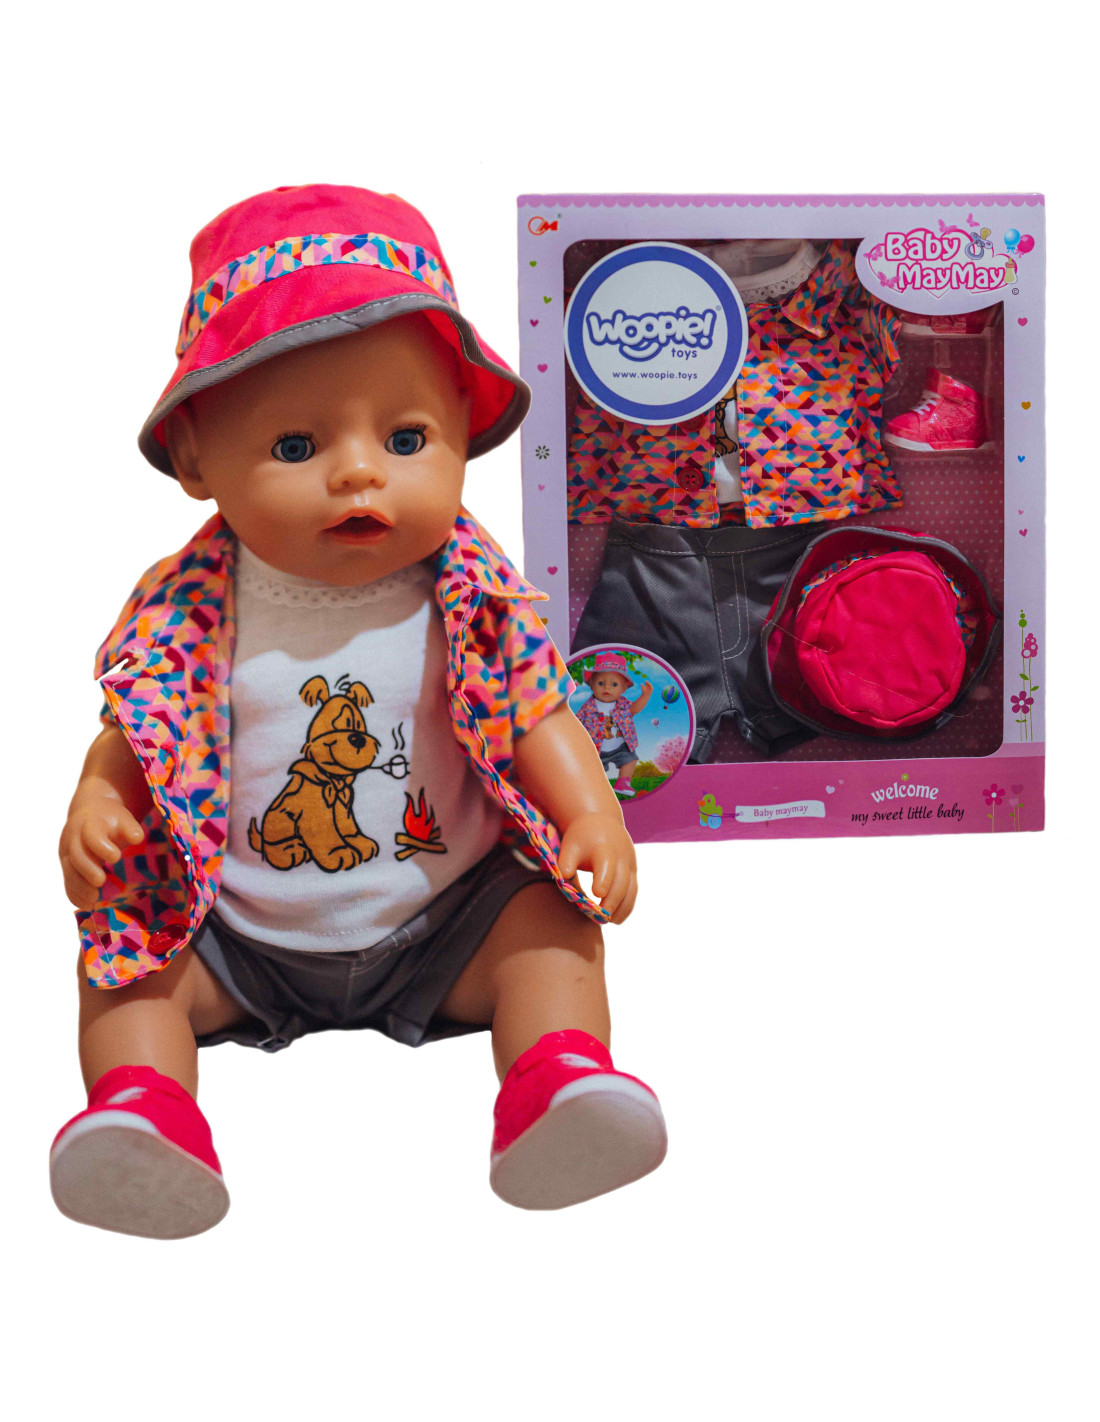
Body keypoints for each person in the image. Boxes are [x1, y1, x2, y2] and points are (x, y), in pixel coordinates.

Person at [52, 185, 666, 1237]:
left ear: (463, 430)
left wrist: (592, 815)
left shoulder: (473, 594)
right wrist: (98, 805)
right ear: (195, 458)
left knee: (550, 931)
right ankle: (145, 1111)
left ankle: (555, 1081)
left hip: (446, 923)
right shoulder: (187, 609)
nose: (357, 474)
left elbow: (537, 713)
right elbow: (136, 731)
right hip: (233, 936)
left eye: (406, 437)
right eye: (296, 448)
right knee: (128, 971)